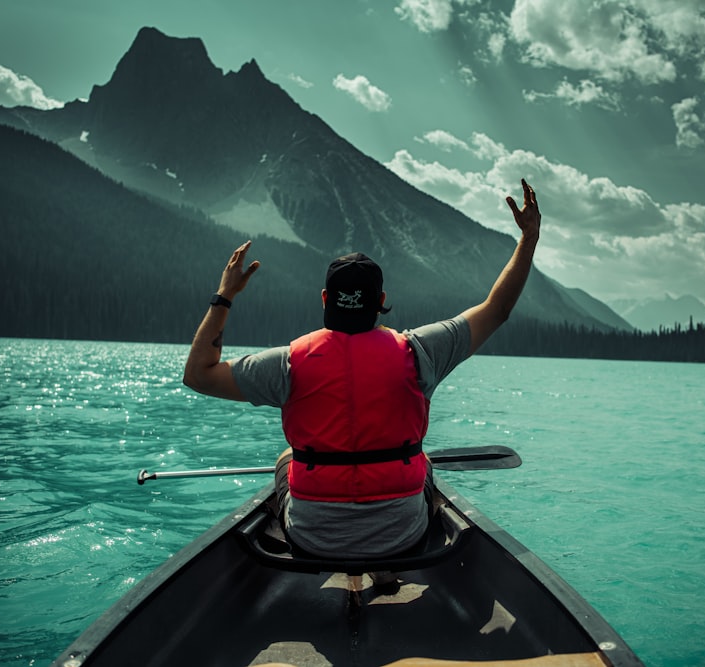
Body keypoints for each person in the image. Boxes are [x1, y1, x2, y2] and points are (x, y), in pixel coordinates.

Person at [183, 179, 541, 559]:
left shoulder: (289, 361)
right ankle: (389, 567)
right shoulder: (421, 350)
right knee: (422, 459)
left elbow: (199, 374)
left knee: (287, 457)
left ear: (325, 299)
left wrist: (225, 296)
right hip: (403, 535)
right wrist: (528, 239)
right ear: (381, 300)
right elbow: (496, 310)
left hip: (312, 538)